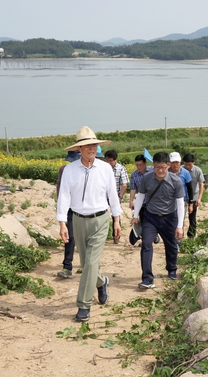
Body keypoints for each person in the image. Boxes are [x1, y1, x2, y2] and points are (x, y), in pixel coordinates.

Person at [57, 126, 122, 322]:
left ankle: (83, 306)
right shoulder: (69, 170)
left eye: (93, 144)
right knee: (86, 265)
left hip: (101, 219)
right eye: (87, 145)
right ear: (79, 149)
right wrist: (62, 223)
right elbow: (64, 197)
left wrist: (117, 220)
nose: (91, 148)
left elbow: (113, 195)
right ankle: (101, 282)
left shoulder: (105, 169)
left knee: (92, 263)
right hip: (77, 220)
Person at [131, 151, 185, 289]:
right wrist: (135, 216)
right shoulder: (147, 178)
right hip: (151, 217)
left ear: (168, 165)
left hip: (169, 218)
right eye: (157, 167)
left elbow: (180, 203)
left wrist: (180, 226)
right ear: (153, 165)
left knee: (171, 245)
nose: (160, 170)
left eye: (163, 167)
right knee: (146, 244)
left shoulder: (176, 181)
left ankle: (171, 269)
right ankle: (147, 278)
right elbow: (141, 196)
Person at [55, 150, 80, 279]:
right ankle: (67, 267)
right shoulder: (63, 170)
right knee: (69, 237)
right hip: (70, 208)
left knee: (86, 238)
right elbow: (60, 189)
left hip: (84, 209)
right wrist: (61, 209)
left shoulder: (86, 169)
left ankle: (90, 266)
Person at [104, 149, 129, 244]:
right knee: (103, 216)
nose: (108, 162)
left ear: (115, 160)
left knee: (116, 216)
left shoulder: (121, 168)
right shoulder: (103, 168)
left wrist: (120, 197)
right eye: (107, 160)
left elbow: (124, 184)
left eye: (110, 160)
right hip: (104, 197)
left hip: (115, 196)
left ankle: (116, 236)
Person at [168, 152, 193, 237]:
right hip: (169, 201)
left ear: (180, 162)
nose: (175, 165)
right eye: (173, 162)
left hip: (183, 200)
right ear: (169, 163)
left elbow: (190, 188)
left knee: (180, 220)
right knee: (170, 221)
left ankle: (178, 242)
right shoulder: (166, 172)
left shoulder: (185, 173)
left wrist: (191, 204)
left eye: (177, 162)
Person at [182, 153, 205, 238]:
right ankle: (180, 236)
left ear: (193, 162)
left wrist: (199, 198)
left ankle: (191, 235)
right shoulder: (180, 169)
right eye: (185, 164)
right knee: (181, 217)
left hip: (194, 197)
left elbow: (201, 184)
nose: (187, 166)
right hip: (183, 197)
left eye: (189, 164)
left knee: (192, 217)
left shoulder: (198, 170)